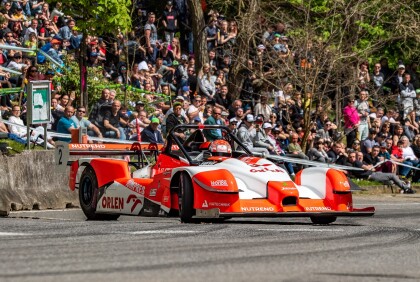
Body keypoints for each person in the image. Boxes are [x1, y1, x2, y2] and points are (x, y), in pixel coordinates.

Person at [346, 151, 414, 194]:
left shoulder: (351, 163)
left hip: (373, 174)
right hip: (372, 175)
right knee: (392, 176)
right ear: (348, 158)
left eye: (353, 157)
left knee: (391, 181)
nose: (352, 158)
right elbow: (367, 168)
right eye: (350, 157)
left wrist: (370, 167)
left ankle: (404, 185)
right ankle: (406, 188)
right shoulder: (356, 162)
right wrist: (369, 167)